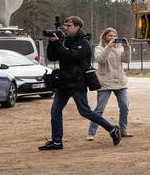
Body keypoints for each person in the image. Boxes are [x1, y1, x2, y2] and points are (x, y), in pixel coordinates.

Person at [39, 16, 120, 150]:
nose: (66, 28)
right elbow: (52, 57)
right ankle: (57, 142)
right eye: (65, 25)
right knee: (55, 111)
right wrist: (52, 43)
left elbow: (70, 56)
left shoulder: (84, 43)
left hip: (77, 82)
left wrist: (58, 44)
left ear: (77, 27)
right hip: (63, 82)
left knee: (85, 111)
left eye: (69, 26)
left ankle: (112, 129)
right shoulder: (64, 41)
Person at [87, 27, 132, 141]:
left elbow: (127, 60)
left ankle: (123, 130)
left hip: (120, 82)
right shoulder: (99, 48)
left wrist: (126, 47)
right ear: (105, 37)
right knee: (99, 109)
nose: (113, 38)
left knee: (124, 106)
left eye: (114, 36)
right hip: (105, 82)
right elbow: (100, 59)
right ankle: (91, 132)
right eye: (110, 36)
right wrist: (108, 47)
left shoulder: (119, 47)